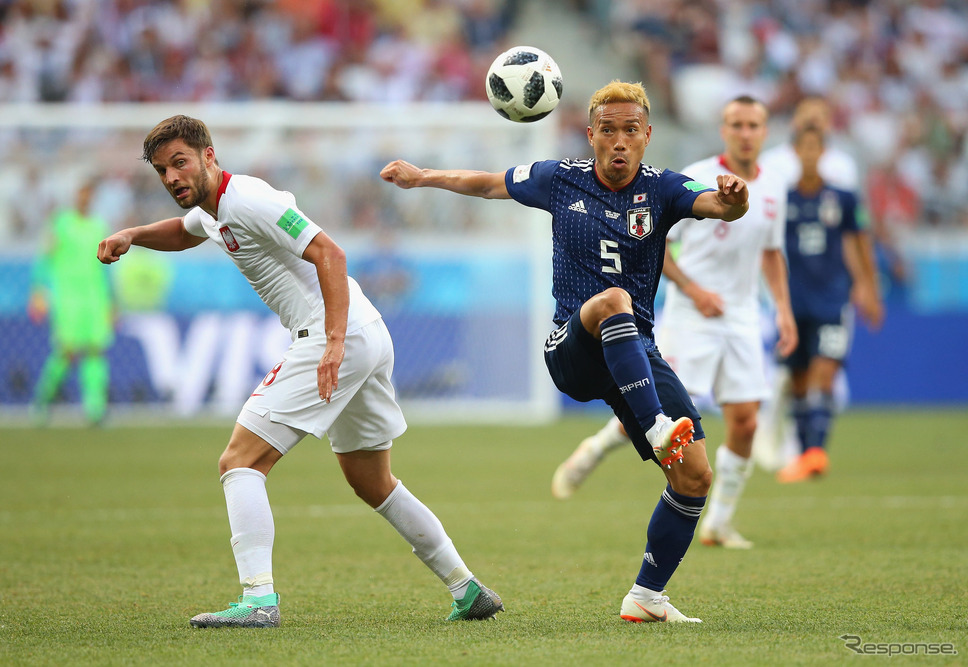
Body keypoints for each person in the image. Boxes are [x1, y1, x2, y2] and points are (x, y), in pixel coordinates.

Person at [96, 115, 502, 628]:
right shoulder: (213, 209)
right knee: (372, 480)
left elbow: (329, 251)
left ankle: (259, 600)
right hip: (365, 332)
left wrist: (332, 343)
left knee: (239, 461)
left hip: (337, 334)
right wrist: (131, 234)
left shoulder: (246, 201)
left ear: (209, 156)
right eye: (162, 171)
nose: (173, 177)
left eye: (180, 163)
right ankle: (467, 590)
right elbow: (183, 232)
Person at [381, 81, 750, 623]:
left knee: (695, 475)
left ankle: (646, 596)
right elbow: (488, 185)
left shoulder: (663, 189)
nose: (619, 142)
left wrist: (734, 201)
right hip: (571, 348)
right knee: (612, 300)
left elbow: (717, 202)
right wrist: (423, 176)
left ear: (647, 135)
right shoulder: (560, 179)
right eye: (608, 131)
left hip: (635, 353)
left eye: (630, 131)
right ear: (591, 134)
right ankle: (651, 428)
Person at [550, 96, 798, 550]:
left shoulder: (776, 186)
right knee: (652, 413)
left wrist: (782, 309)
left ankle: (719, 523)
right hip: (692, 314)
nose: (746, 133)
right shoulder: (696, 177)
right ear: (724, 130)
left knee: (745, 421)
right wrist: (694, 290)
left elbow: (771, 252)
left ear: (765, 132)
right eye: (737, 124)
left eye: (754, 125)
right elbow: (655, 245)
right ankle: (593, 450)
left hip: (742, 314)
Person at [775, 125, 883, 482]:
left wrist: (868, 287)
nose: (809, 153)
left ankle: (816, 452)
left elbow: (858, 243)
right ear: (795, 152)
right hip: (794, 303)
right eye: (803, 147)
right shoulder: (782, 200)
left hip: (833, 301)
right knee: (800, 382)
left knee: (825, 374)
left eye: (815, 147)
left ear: (823, 152)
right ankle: (807, 455)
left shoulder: (844, 199)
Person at [29, 181, 114, 426]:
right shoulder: (61, 223)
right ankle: (41, 403)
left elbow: (107, 268)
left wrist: (112, 301)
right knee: (66, 351)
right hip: (67, 296)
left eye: (89, 194)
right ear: (75, 195)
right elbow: (45, 257)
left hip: (95, 297)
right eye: (82, 193)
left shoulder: (100, 225)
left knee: (96, 350)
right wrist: (38, 291)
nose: (85, 198)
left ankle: (95, 411)